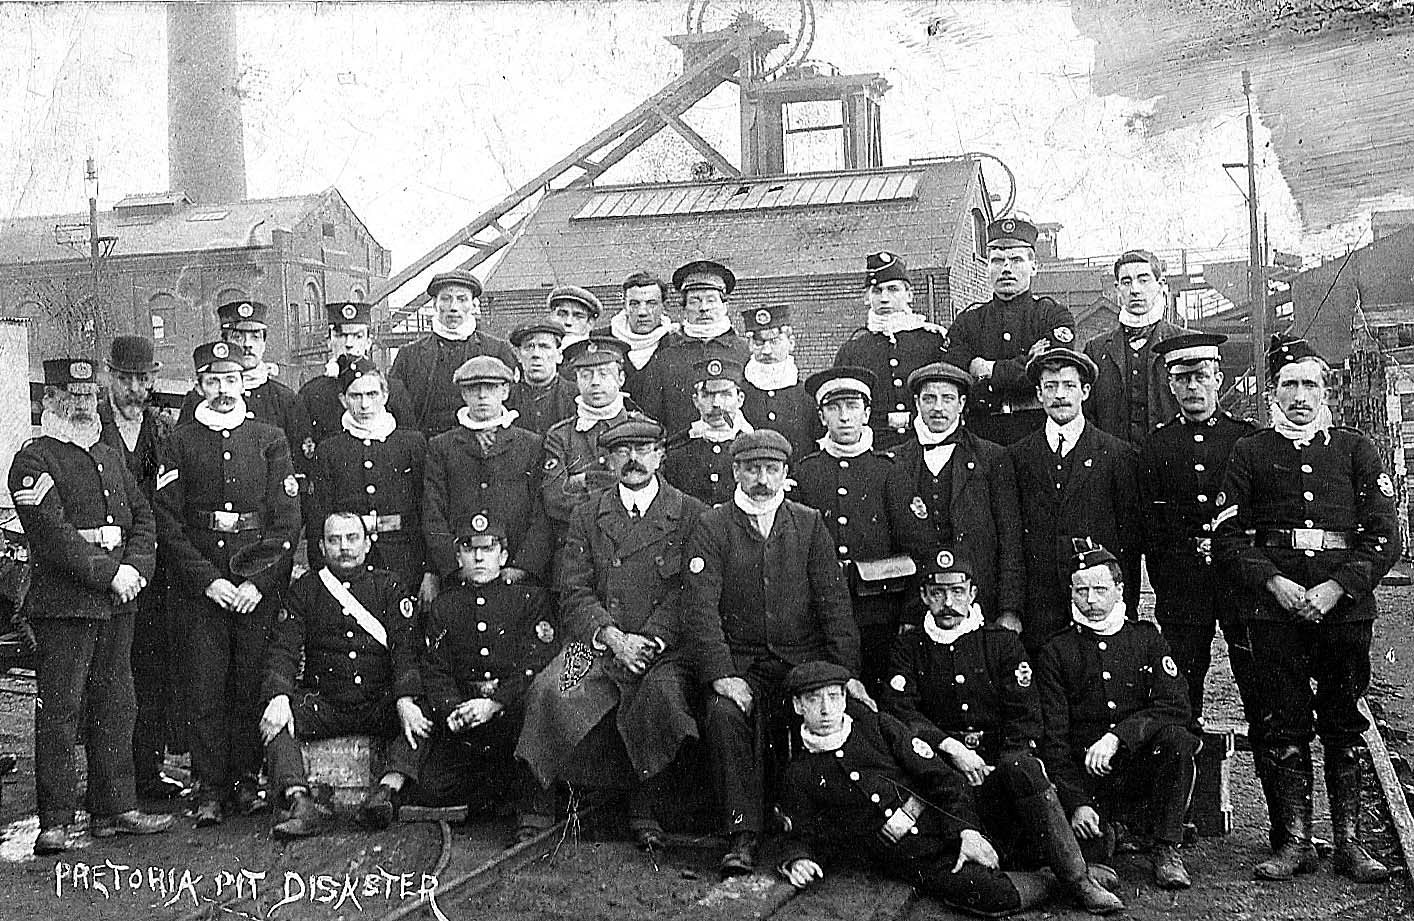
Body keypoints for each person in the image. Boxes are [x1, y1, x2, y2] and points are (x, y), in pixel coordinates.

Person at [1214, 334, 1399, 883]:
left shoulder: (1356, 450)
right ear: (1273, 393)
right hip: (1274, 613)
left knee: (1344, 722)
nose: (1299, 395)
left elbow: (1385, 535)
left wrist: (1338, 587)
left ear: (1327, 393)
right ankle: (1293, 840)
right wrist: (1272, 581)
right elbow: (1226, 537)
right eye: (1289, 385)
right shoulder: (1251, 452)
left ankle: (1349, 844)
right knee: (1281, 722)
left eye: (1309, 385)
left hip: (1343, 611)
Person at [879, 548, 1123, 913]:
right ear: (925, 597)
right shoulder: (908, 648)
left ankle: (1078, 881)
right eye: (938, 593)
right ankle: (1051, 874)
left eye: (958, 591)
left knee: (1023, 767)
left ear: (973, 594)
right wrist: (952, 748)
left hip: (998, 767)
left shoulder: (1001, 643)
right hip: (943, 769)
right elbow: (900, 712)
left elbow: (1025, 715)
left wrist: (995, 761)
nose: (949, 603)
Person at [683, 429, 868, 876]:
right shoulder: (712, 524)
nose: (761, 479)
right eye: (752, 469)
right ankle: (743, 833)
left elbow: (834, 604)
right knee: (725, 716)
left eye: (771, 469)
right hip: (742, 662)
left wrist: (843, 673)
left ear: (785, 474)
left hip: (801, 661)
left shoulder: (807, 523)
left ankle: (820, 831)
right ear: (736, 472)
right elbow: (700, 607)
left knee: (838, 714)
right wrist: (722, 675)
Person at [9, 357, 174, 855]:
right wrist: (112, 573)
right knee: (60, 711)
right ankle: (54, 820)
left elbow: (143, 518)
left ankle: (115, 807)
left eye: (86, 396)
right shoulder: (34, 459)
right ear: (49, 402)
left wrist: (137, 570)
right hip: (66, 605)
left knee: (116, 705)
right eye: (69, 396)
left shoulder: (107, 453)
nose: (81, 404)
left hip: (118, 600)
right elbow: (53, 537)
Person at [517, 415, 704, 848]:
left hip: (660, 647)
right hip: (598, 644)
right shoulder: (587, 515)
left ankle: (647, 808)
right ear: (608, 458)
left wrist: (650, 639)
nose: (633, 459)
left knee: (662, 699)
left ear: (660, 456)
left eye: (642, 450)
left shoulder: (690, 513)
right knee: (551, 688)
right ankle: (539, 804)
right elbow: (574, 589)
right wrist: (612, 637)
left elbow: (689, 593)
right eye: (622, 451)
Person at [776, 661, 1087, 918]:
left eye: (833, 696)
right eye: (814, 699)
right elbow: (798, 831)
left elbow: (943, 778)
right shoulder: (799, 771)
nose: (826, 709)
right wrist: (797, 860)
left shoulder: (878, 727)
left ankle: (1078, 878)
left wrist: (967, 831)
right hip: (918, 861)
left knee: (1021, 769)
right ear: (798, 705)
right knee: (994, 896)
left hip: (952, 818)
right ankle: (1056, 880)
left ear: (845, 698)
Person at [154, 341, 302, 826]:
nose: (222, 390)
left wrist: (258, 583)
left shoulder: (269, 437)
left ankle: (246, 782)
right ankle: (209, 789)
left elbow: (286, 521)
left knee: (248, 681)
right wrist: (207, 583)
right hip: (202, 588)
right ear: (198, 386)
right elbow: (167, 521)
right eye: (212, 381)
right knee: (204, 686)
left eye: (231, 380)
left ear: (245, 383)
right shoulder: (180, 440)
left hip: (254, 585)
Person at [257, 511, 431, 838]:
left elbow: (405, 650)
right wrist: (279, 695)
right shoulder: (306, 590)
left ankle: (385, 794)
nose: (344, 548)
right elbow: (284, 648)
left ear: (367, 545)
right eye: (335, 540)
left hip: (378, 702)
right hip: (327, 704)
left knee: (424, 712)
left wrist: (406, 698)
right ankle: (300, 802)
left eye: (352, 539)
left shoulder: (389, 587)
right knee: (274, 717)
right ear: (322, 546)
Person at [1036, 540, 1197, 890]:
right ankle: (1116, 830)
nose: (1091, 601)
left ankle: (1167, 847)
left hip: (1138, 765)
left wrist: (1118, 737)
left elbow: (1176, 705)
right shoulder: (1056, 650)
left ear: (1119, 590)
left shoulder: (1145, 638)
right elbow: (1055, 739)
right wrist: (1076, 802)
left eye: (1100, 589)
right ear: (1072, 593)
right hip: (1087, 776)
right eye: (1082, 591)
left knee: (1177, 741)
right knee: (1093, 853)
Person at [1138, 333, 1260, 726]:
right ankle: (1187, 773)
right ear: (1171, 385)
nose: (1193, 386)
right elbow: (1151, 526)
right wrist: (1169, 579)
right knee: (1181, 691)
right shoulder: (1157, 446)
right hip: (1183, 584)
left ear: (1218, 379)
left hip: (1240, 580)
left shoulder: (1247, 438)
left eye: (1201, 376)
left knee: (1259, 681)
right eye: (1182, 378)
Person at [413, 514, 558, 842]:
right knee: (433, 787)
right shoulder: (444, 607)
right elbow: (435, 669)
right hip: (467, 717)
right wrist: (455, 708)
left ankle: (521, 799)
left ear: (503, 556)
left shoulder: (528, 599)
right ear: (458, 557)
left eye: (488, 549)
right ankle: (499, 792)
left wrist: (495, 702)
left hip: (513, 713)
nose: (478, 557)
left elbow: (537, 662)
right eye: (469, 549)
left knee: (529, 751)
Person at [97, 336, 185, 800]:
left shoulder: (162, 430)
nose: (134, 389)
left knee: (152, 670)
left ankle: (148, 771)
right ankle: (110, 781)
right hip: (108, 570)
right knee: (109, 675)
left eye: (141, 380)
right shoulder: (92, 427)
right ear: (110, 376)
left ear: (152, 380)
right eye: (125, 379)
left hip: (157, 570)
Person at [1005, 348, 1140, 650]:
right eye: (1050, 387)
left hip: (1096, 602)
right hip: (1040, 604)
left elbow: (1129, 539)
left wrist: (1125, 603)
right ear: (1038, 394)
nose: (1060, 395)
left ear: (1085, 391)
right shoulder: (1017, 457)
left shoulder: (1116, 454)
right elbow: (1012, 536)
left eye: (1068, 386)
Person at [884, 361, 1023, 632]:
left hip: (980, 599)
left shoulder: (992, 457)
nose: (938, 407)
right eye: (929, 399)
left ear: (961, 404)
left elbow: (1011, 539)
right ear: (916, 403)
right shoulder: (894, 461)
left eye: (947, 399)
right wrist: (906, 613)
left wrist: (1010, 609)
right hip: (919, 604)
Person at [792, 367, 901, 694]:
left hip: (878, 610)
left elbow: (912, 544)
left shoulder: (888, 470)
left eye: (852, 407)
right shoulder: (806, 472)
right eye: (834, 408)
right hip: (821, 609)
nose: (844, 417)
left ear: (867, 413)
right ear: (822, 416)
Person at [307, 358, 431, 610]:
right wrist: (322, 569)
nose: (364, 404)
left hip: (403, 555)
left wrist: (431, 569)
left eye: (372, 394)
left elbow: (427, 510)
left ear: (385, 396)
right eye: (355, 396)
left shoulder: (412, 444)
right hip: (349, 559)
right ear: (343, 400)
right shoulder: (330, 450)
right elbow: (319, 515)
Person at [423, 356, 552, 590]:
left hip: (515, 574)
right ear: (463, 394)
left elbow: (540, 512)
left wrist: (522, 565)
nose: (482, 396)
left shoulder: (530, 444)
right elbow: (434, 512)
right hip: (462, 572)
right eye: (473, 389)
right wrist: (454, 566)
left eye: (491, 388)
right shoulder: (442, 446)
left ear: (505, 391)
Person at [945, 218, 1076, 445]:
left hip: (1036, 431)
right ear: (988, 267)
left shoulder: (1053, 316)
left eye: (1016, 260)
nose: (1006, 269)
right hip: (981, 432)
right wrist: (1026, 363)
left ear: (1034, 266)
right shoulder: (969, 321)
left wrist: (985, 368)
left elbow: (1052, 367)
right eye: (997, 260)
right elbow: (953, 370)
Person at [832, 251, 950, 449]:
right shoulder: (853, 349)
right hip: (876, 447)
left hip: (929, 443)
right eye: (877, 291)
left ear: (909, 295)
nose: (884, 298)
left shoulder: (933, 341)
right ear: (866, 297)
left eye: (893, 290)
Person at [178, 300, 313, 471]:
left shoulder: (285, 400)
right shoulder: (199, 398)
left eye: (255, 337)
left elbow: (300, 465)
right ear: (224, 342)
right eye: (238, 337)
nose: (247, 344)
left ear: (264, 344)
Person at [389, 270, 518, 439]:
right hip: (427, 446)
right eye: (446, 299)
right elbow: (397, 407)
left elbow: (513, 401)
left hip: (480, 445)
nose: (453, 307)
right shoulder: (409, 355)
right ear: (435, 304)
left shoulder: (497, 350)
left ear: (473, 304)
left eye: (462, 299)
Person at [1082, 251, 1187, 445]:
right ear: (1117, 288)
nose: (1135, 290)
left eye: (1143, 280)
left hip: (1170, 462)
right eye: (1127, 282)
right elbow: (1087, 418)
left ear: (1160, 285)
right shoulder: (1096, 350)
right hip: (1114, 464)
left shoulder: (1184, 342)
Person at [636, 260, 750, 436]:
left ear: (725, 306)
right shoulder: (665, 354)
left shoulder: (744, 352)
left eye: (711, 300)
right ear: (684, 308)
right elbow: (652, 418)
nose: (703, 308)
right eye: (695, 301)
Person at [541, 335, 634, 531]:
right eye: (586, 375)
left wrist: (583, 480)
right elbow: (555, 500)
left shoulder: (641, 429)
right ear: (576, 380)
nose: (595, 382)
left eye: (603, 374)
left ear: (621, 379)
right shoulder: (560, 436)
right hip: (577, 539)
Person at [297, 301, 415, 449]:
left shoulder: (394, 389)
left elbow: (408, 443)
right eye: (341, 336)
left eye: (358, 336)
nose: (349, 344)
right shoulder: (311, 393)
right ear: (328, 342)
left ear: (368, 343)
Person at [662, 357, 753, 507]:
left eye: (725, 394)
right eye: (707, 395)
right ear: (696, 401)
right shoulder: (677, 448)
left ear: (740, 399)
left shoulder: (753, 446)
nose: (716, 404)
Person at [739, 304, 816, 452]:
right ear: (749, 345)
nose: (767, 351)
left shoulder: (807, 395)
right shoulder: (737, 394)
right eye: (759, 343)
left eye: (775, 342)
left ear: (791, 343)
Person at [607, 271, 676, 402]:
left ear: (664, 306)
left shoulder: (676, 343)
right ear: (624, 306)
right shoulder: (604, 341)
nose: (642, 312)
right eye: (634, 304)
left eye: (651, 303)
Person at [506, 318, 577, 436]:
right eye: (529, 347)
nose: (536, 354)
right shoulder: (507, 398)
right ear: (518, 355)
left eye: (544, 346)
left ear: (559, 355)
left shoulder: (576, 396)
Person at [546, 284, 602, 356]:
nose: (568, 322)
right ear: (552, 316)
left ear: (590, 323)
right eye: (562, 314)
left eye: (578, 316)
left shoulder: (597, 357)